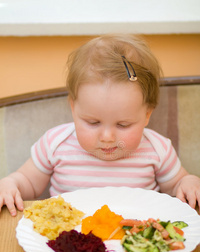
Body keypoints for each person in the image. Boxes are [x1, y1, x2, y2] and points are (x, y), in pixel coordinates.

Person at [0, 34, 200, 217]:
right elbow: (28, 182)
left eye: (123, 124)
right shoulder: (55, 143)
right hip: (69, 242)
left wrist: (188, 182)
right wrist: (11, 184)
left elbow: (177, 185)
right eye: (92, 122)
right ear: (73, 107)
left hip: (135, 243)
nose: (107, 136)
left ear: (147, 114)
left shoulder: (157, 149)